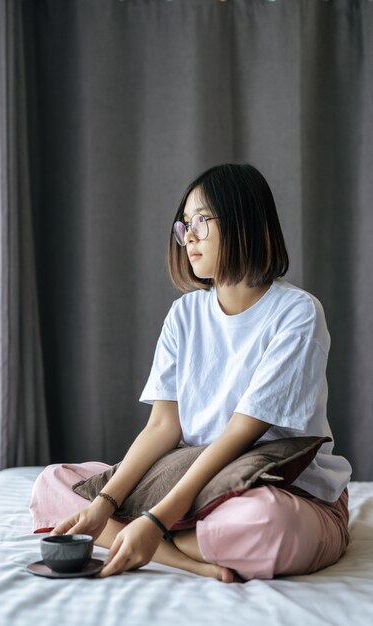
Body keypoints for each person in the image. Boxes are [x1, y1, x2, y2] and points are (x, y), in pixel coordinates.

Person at [30, 163, 351, 583]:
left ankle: (150, 539)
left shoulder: (298, 313)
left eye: (202, 220)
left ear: (244, 221)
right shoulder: (184, 315)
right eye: (184, 225)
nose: (189, 237)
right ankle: (179, 554)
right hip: (196, 485)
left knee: (263, 523)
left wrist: (157, 520)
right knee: (52, 484)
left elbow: (240, 434)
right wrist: (106, 502)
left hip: (284, 489)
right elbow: (163, 426)